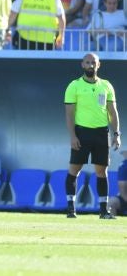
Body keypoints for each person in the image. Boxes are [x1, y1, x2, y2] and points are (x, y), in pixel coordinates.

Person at [63, 53, 120, 219]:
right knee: (75, 169)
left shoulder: (106, 85)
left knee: (102, 171)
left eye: (93, 62)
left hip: (101, 133)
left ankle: (103, 211)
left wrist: (117, 133)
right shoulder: (74, 86)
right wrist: (73, 136)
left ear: (98, 64)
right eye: (87, 62)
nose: (90, 65)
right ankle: (71, 209)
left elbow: (113, 112)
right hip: (82, 133)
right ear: (82, 64)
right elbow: (69, 114)